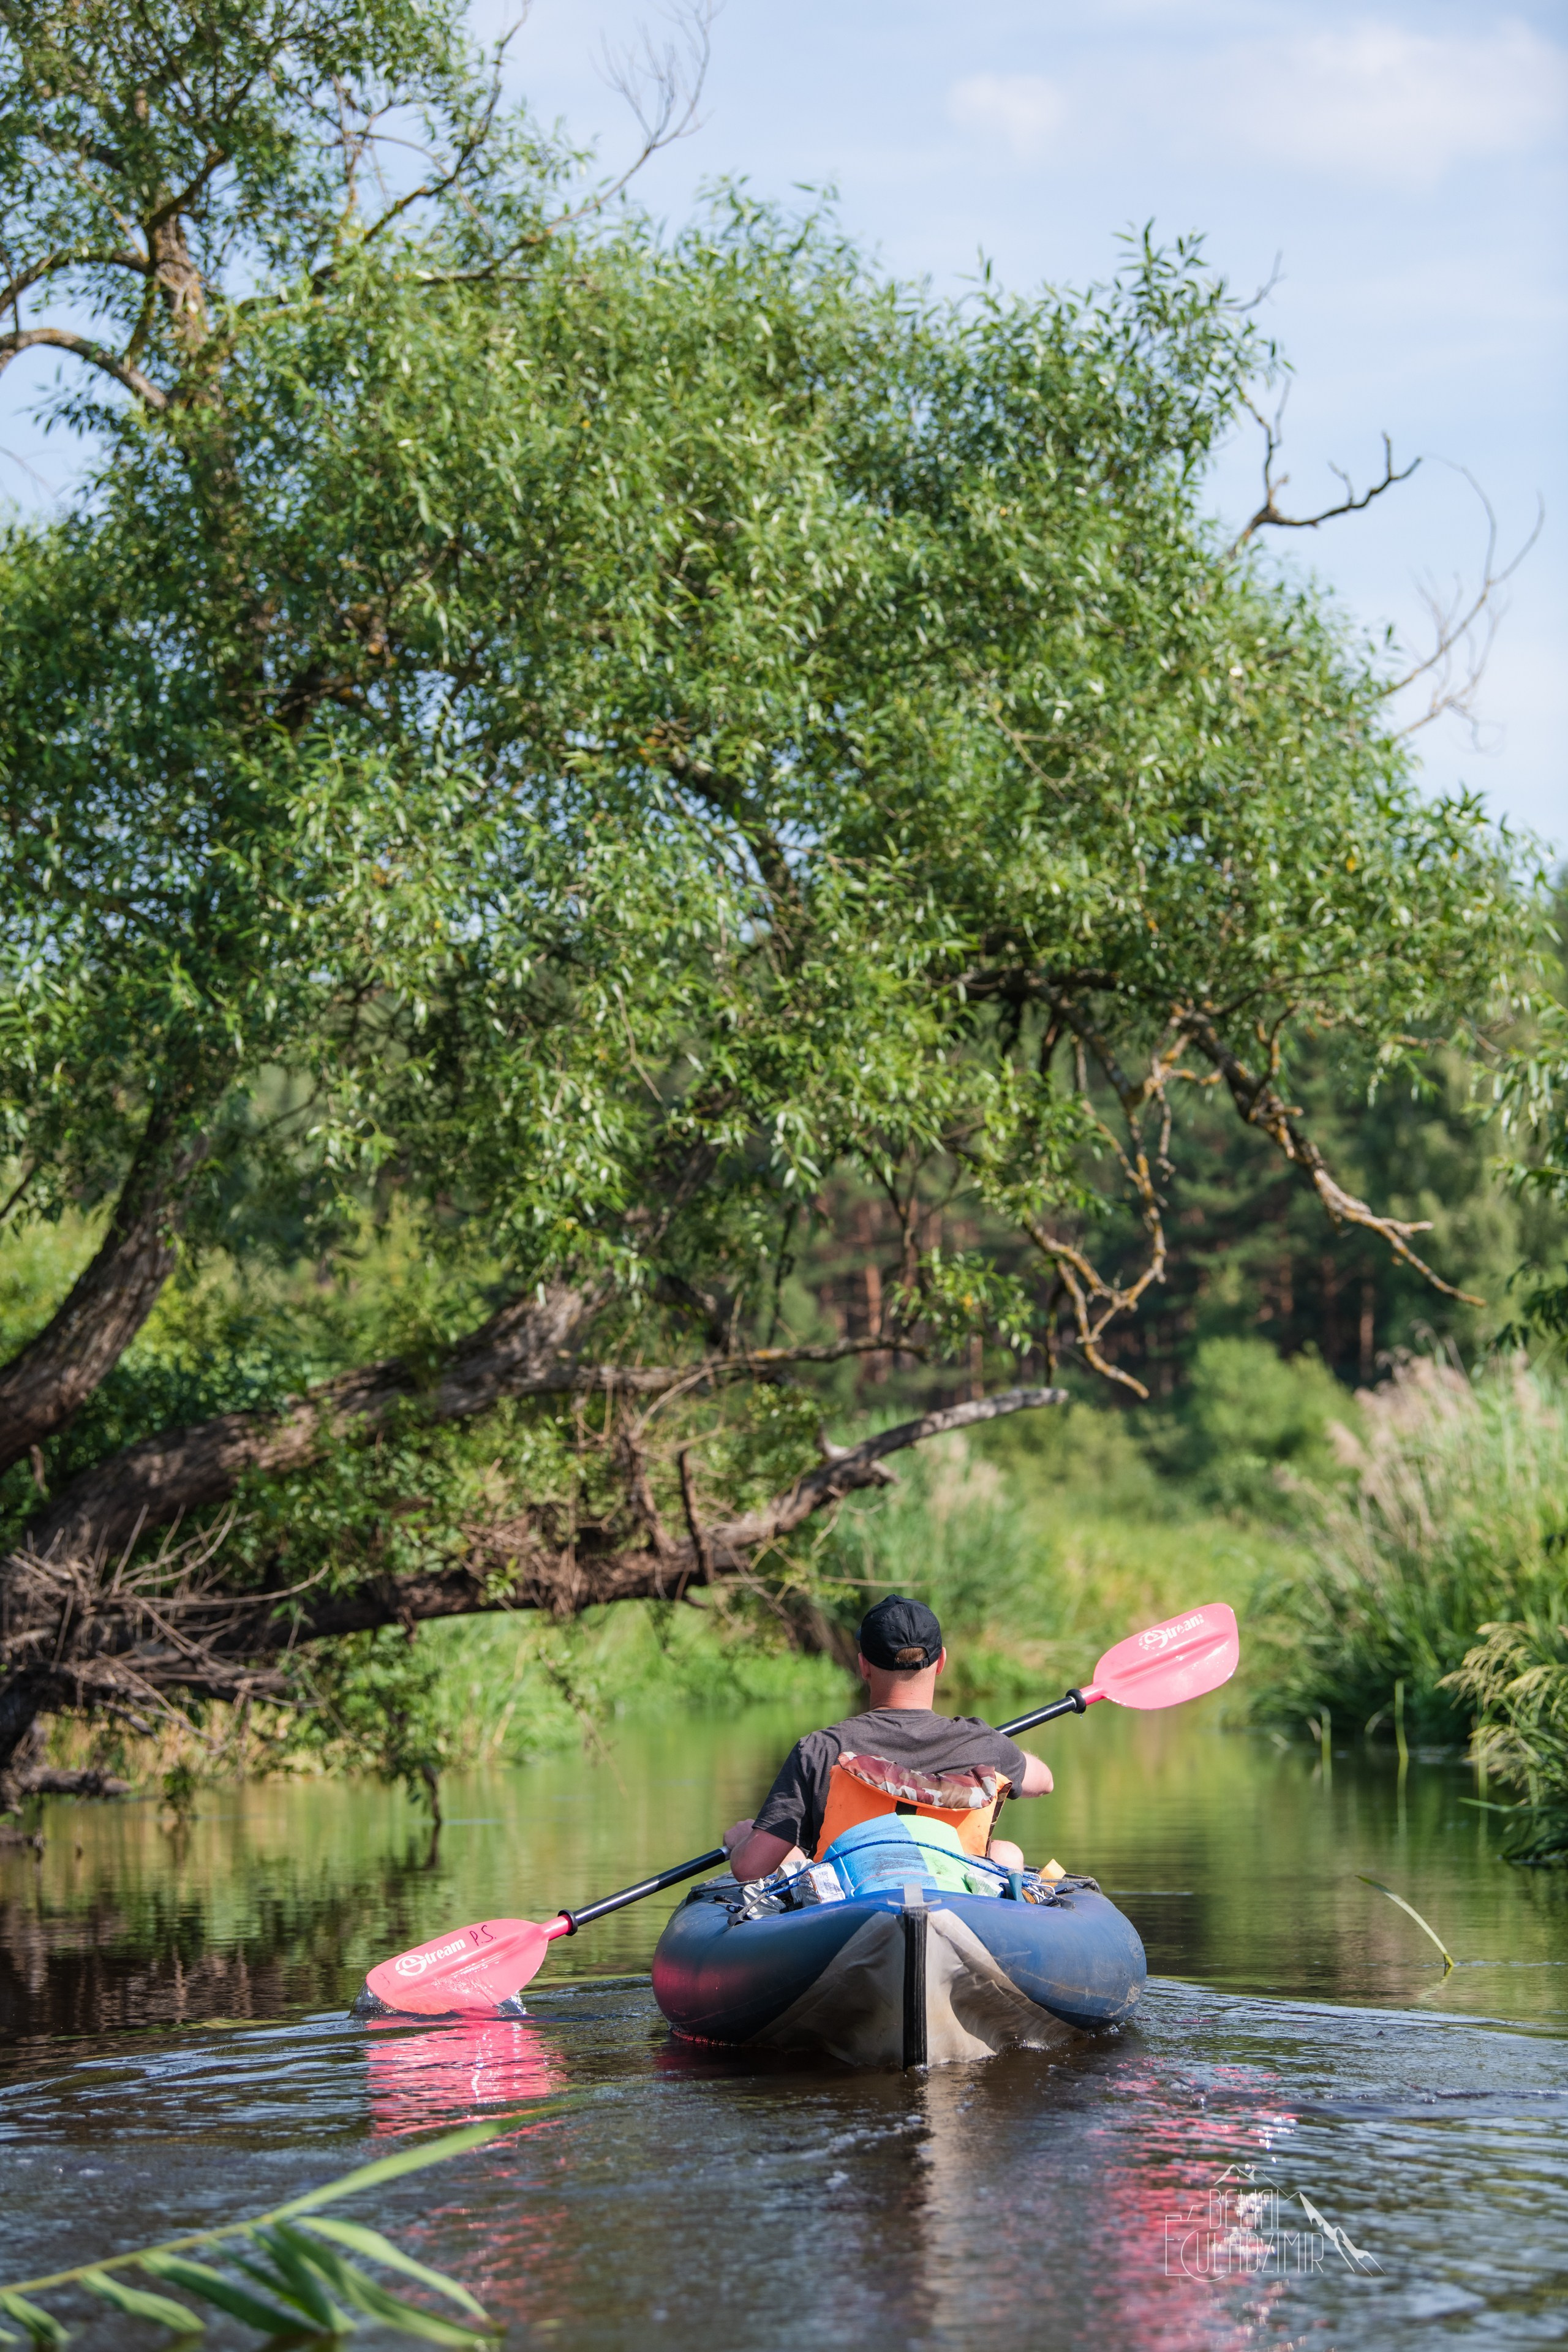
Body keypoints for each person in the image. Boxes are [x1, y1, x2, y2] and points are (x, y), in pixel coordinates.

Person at [723, 1595, 1053, 1883]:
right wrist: (1001, 1749)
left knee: (792, 1855)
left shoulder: (821, 1749)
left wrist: (741, 1843)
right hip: (957, 1906)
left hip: (850, 1909)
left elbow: (752, 1868)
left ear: (864, 1665)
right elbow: (1045, 1782)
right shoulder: (985, 1745)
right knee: (1005, 1854)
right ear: (941, 1663)